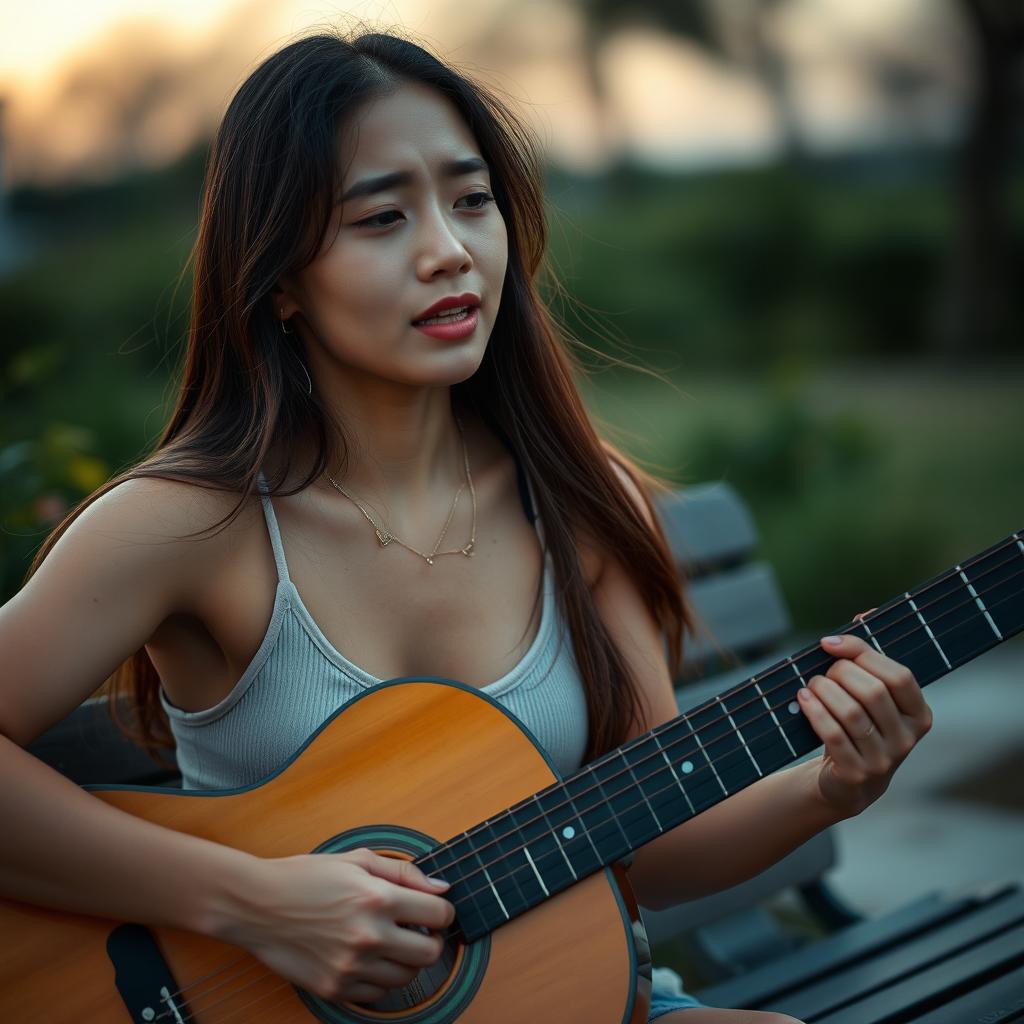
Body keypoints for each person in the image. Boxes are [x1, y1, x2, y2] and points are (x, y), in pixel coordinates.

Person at [0, 27, 933, 1024]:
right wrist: (256, 904)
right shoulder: (191, 524)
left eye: (472, 200)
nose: (448, 250)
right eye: (382, 217)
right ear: (277, 279)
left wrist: (831, 786)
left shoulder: (580, 504)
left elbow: (648, 852)